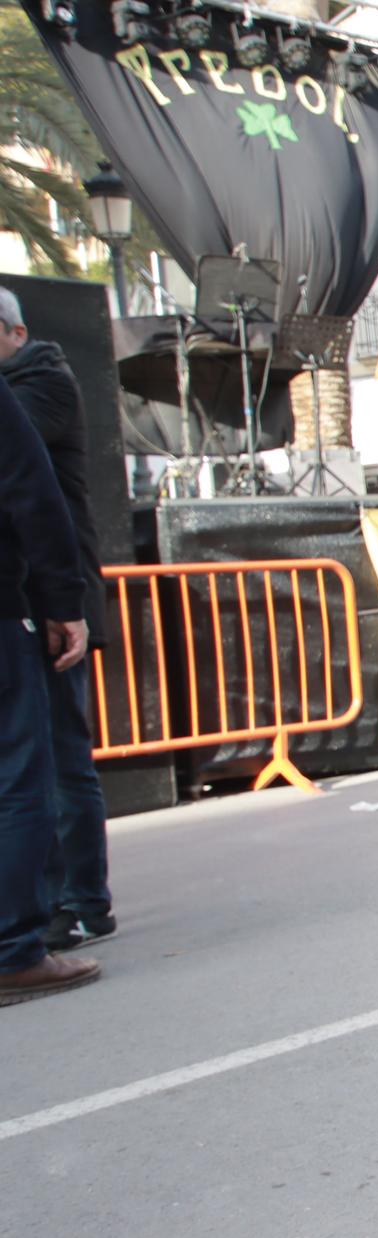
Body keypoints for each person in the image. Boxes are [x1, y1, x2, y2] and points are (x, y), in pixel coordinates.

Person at [0, 288, 113, 950]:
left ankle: (80, 898)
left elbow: (26, 483)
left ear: (13, 332)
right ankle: (50, 899)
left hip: (57, 591)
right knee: (39, 758)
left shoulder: (42, 381)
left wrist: (61, 602)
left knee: (62, 754)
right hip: (33, 592)